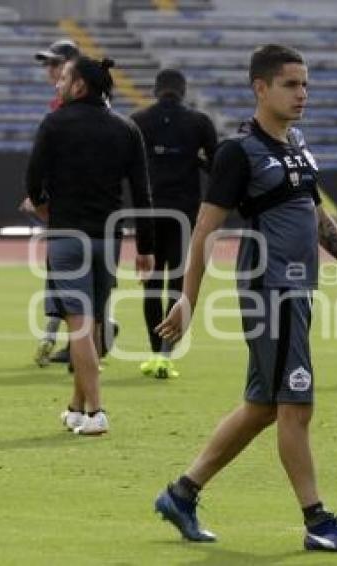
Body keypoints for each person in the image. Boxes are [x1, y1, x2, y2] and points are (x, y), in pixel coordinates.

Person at [151, 44, 337, 551]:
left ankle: (181, 494)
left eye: (305, 85)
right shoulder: (239, 152)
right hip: (270, 291)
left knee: (262, 405)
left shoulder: (296, 143)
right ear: (260, 87)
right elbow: (204, 230)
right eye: (290, 84)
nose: (302, 94)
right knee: (295, 405)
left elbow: (313, 215)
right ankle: (319, 524)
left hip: (298, 289)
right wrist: (186, 301)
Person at [25, 56, 155, 436]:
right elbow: (142, 194)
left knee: (79, 327)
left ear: (80, 85)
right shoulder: (127, 128)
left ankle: (97, 412)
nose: (57, 84)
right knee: (93, 322)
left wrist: (45, 205)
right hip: (108, 238)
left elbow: (33, 180)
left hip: (68, 237)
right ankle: (76, 408)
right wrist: (144, 248)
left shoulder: (54, 123)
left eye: (63, 78)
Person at [131, 68, 218, 379]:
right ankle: (167, 355)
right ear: (183, 91)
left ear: (156, 90)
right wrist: (195, 161)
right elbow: (218, 167)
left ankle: (154, 352)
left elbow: (129, 168)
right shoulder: (199, 122)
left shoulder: (139, 121)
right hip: (184, 214)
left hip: (150, 214)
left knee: (152, 284)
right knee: (179, 284)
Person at [24, 39, 80, 367]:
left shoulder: (71, 108)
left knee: (66, 269)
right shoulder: (59, 105)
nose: (50, 70)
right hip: (69, 199)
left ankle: (78, 336)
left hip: (75, 203)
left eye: (56, 63)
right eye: (48, 64)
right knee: (66, 270)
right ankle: (68, 336)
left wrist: (43, 193)